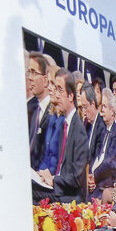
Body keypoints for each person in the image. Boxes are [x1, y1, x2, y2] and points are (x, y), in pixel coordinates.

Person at [32, 68, 90, 204]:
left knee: (32, 194)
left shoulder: (79, 130)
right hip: (60, 190)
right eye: (55, 89)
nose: (56, 95)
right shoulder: (65, 125)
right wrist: (48, 176)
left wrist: (53, 179)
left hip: (72, 197)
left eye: (60, 90)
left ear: (71, 96)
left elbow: (76, 178)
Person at [88, 88, 116, 201]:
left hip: (105, 184)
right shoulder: (103, 131)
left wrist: (94, 176)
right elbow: (96, 157)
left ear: (112, 111)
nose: (101, 111)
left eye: (104, 107)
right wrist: (90, 176)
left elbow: (110, 162)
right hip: (96, 182)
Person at [27, 51, 51, 170]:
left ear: (45, 80)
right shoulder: (34, 111)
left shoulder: (54, 113)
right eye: (29, 72)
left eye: (34, 73)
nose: (30, 78)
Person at [80, 82, 105, 160]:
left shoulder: (101, 127)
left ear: (93, 104)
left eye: (85, 107)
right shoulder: (86, 126)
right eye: (82, 108)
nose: (84, 112)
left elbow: (96, 158)